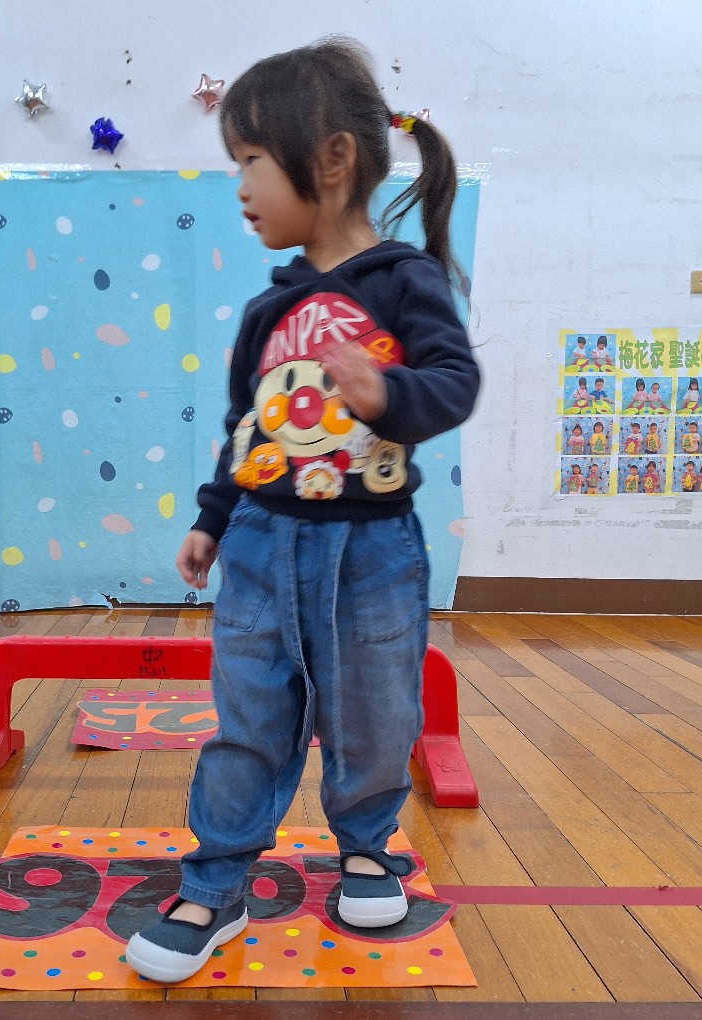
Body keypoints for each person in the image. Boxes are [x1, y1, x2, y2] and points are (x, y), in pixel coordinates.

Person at [125, 37, 481, 985]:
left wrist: (387, 394)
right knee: (248, 718)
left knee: (375, 712)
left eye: (250, 160)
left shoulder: (406, 281)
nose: (240, 186)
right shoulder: (266, 309)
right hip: (260, 544)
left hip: (373, 551)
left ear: (331, 159)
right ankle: (216, 883)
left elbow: (455, 384)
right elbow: (245, 428)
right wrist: (212, 517)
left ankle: (366, 846)